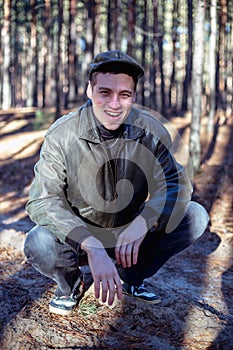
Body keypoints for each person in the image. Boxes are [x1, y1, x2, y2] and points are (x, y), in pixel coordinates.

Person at [24, 50, 209, 316]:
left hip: (129, 233)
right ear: (90, 90)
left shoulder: (150, 130)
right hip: (80, 236)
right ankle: (70, 286)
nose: (114, 104)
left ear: (133, 96)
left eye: (124, 95)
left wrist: (145, 221)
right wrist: (89, 243)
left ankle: (131, 277)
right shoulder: (63, 134)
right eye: (105, 93)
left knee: (195, 215)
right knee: (38, 241)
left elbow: (176, 184)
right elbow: (43, 200)